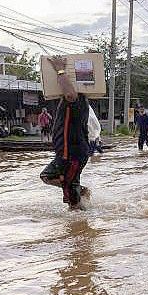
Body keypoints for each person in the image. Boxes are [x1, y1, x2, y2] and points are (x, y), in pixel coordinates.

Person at [40, 56, 91, 210]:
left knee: (73, 205)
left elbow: (70, 94)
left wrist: (60, 69)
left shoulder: (75, 100)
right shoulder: (72, 101)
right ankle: (78, 189)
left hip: (71, 155)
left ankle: (80, 228)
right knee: (47, 176)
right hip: (67, 153)